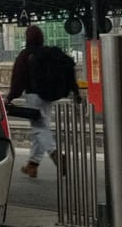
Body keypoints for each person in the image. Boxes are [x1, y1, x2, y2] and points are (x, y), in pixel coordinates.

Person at [7, 25, 76, 179]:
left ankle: (54, 153)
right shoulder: (47, 53)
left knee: (38, 128)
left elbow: (19, 79)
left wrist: (11, 96)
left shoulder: (25, 55)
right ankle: (33, 164)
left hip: (33, 96)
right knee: (40, 126)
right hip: (48, 96)